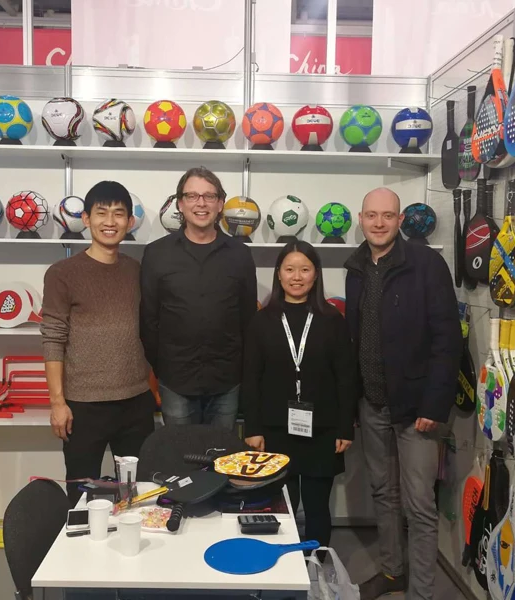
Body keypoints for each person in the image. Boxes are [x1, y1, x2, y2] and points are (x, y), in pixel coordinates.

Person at [345, 187, 462, 600]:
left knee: (419, 505)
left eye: (387, 215)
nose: (378, 223)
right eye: (371, 215)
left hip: (417, 409)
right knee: (384, 494)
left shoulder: (426, 264)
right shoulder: (356, 267)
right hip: (372, 402)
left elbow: (448, 339)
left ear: (400, 220)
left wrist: (435, 403)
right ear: (361, 219)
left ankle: (422, 593)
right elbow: (356, 337)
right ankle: (392, 572)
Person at [41, 181, 155, 506]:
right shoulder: (62, 273)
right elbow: (53, 337)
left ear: (130, 221)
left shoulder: (136, 270)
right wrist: (57, 403)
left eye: (118, 214)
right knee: (82, 499)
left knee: (137, 496)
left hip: (135, 402)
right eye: (101, 213)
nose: (110, 221)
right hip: (83, 406)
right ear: (86, 219)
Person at [242, 241, 356, 548]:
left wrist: (345, 427)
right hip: (275, 430)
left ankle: (317, 564)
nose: (296, 277)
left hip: (323, 430)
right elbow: (250, 378)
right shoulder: (261, 320)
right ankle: (286, 564)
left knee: (318, 507)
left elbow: (346, 378)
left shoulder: (333, 320)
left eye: (304, 269)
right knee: (282, 506)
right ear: (278, 274)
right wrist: (252, 428)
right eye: (289, 269)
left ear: (315, 274)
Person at [140, 166, 257, 429]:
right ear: (180, 204)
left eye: (209, 196)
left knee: (222, 451)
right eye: (192, 196)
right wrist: (163, 367)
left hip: (227, 380)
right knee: (180, 452)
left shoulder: (240, 255)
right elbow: (148, 319)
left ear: (220, 204)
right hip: (175, 380)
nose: (201, 203)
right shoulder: (156, 254)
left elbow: (248, 319)